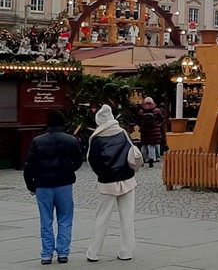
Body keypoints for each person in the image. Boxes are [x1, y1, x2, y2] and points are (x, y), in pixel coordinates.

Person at [23, 110, 83, 265]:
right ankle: (63, 252)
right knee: (65, 218)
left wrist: (31, 185)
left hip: (43, 185)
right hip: (64, 183)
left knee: (46, 220)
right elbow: (78, 161)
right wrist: (69, 169)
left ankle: (46, 254)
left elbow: (28, 166)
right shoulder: (71, 140)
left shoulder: (37, 141)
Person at [85, 105, 138, 262]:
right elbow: (132, 151)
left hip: (107, 183)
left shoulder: (96, 138)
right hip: (127, 180)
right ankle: (126, 251)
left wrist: (103, 173)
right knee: (127, 218)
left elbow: (92, 161)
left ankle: (93, 253)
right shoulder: (123, 133)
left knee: (102, 218)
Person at [136, 97, 164, 167]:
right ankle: (151, 160)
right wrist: (158, 125)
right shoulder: (157, 110)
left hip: (145, 131)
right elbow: (162, 119)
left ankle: (142, 160)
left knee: (144, 145)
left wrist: (141, 126)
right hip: (154, 131)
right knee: (152, 146)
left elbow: (138, 121)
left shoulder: (141, 111)